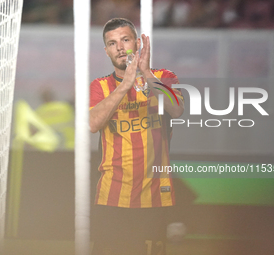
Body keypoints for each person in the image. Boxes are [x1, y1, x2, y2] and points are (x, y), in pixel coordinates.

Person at [89, 18, 184, 255]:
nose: (119, 47)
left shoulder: (163, 75)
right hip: (112, 193)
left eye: (125, 40)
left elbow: (176, 109)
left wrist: (145, 73)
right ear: (106, 51)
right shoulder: (99, 86)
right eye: (112, 43)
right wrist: (125, 85)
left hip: (155, 193)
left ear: (137, 43)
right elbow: (93, 124)